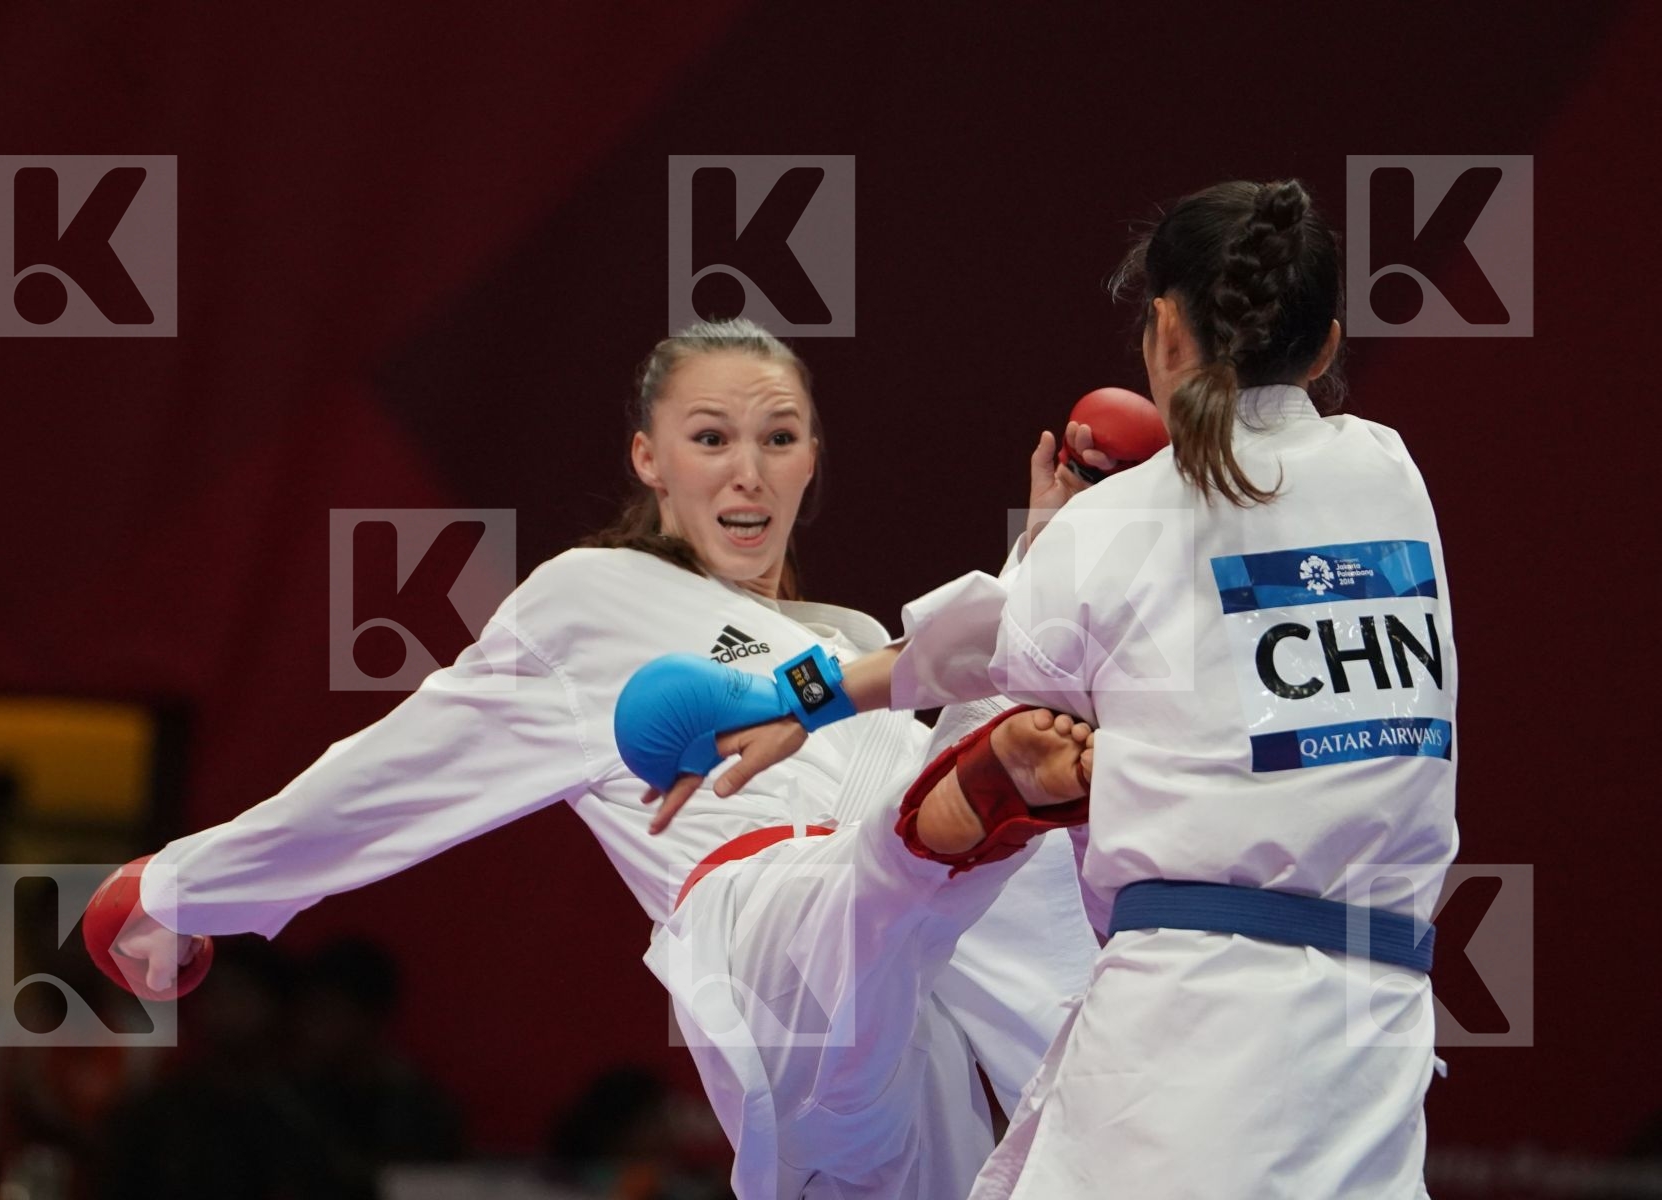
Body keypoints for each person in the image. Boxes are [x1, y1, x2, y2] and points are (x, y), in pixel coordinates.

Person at [101, 319, 1103, 1200]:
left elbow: (962, 712)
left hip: (934, 973)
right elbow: (386, 780)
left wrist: (1047, 553)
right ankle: (935, 839)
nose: (747, 470)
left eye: (778, 439)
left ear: (809, 462)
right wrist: (179, 888)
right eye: (710, 439)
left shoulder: (846, 637)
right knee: (865, 913)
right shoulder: (588, 599)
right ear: (649, 458)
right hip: (768, 926)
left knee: (1039, 1110)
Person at [648, 181, 1457, 1198]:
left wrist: (800, 693)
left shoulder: (1118, 527)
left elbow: (964, 652)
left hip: (1191, 1036)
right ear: (1329, 345)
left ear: (1164, 334)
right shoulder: (1393, 477)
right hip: (1373, 1049)